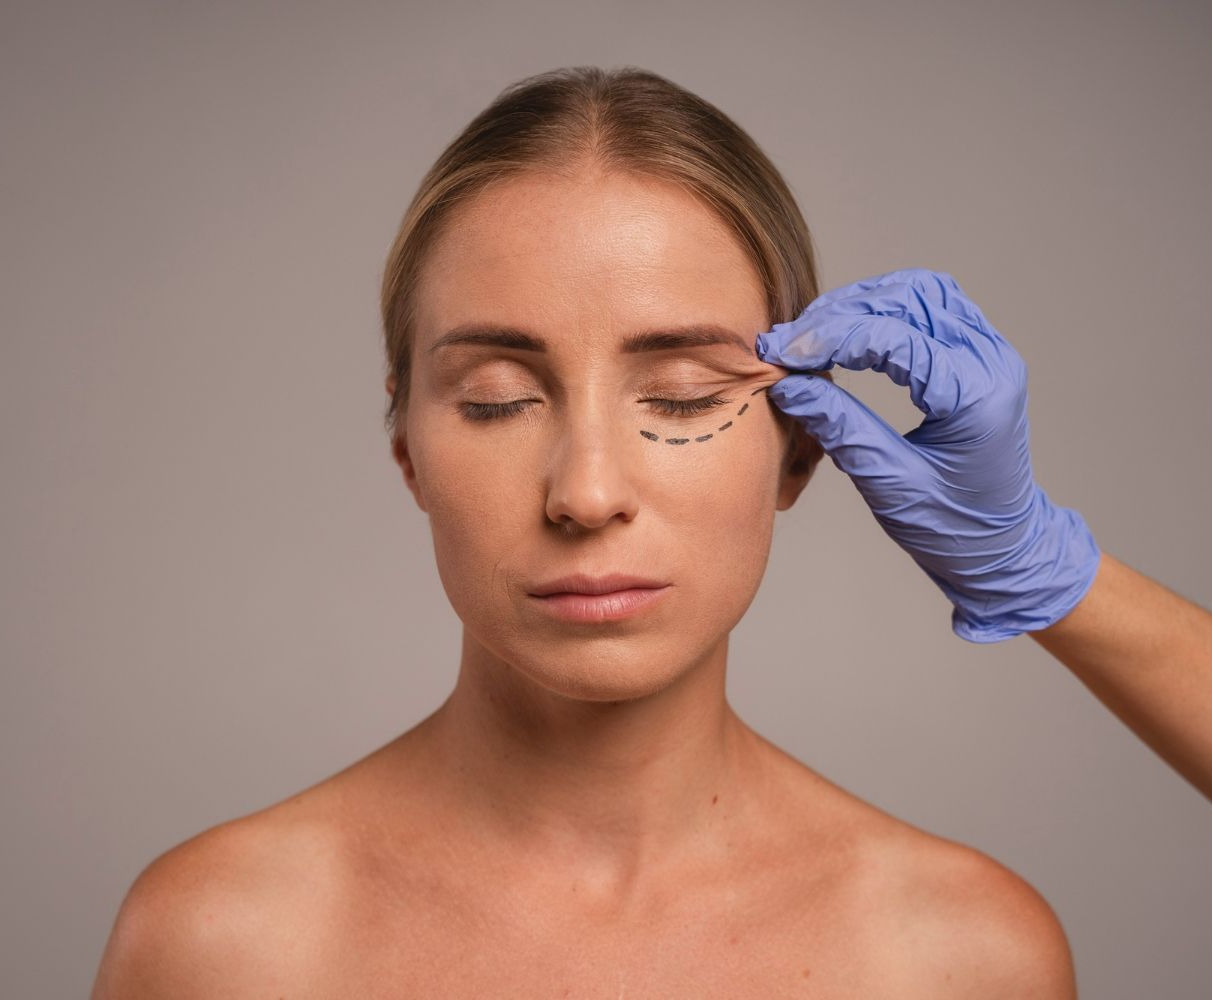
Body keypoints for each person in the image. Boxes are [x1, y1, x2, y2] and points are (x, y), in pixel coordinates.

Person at [90, 67, 1078, 997]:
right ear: (408, 452)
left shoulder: (963, 957)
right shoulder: (222, 943)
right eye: (496, 399)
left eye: (685, 397)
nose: (589, 492)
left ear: (802, 448)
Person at [753, 268, 1212, 880]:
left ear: (800, 451)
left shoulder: (959, 942)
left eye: (684, 396)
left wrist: (1033, 561)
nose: (632, 490)